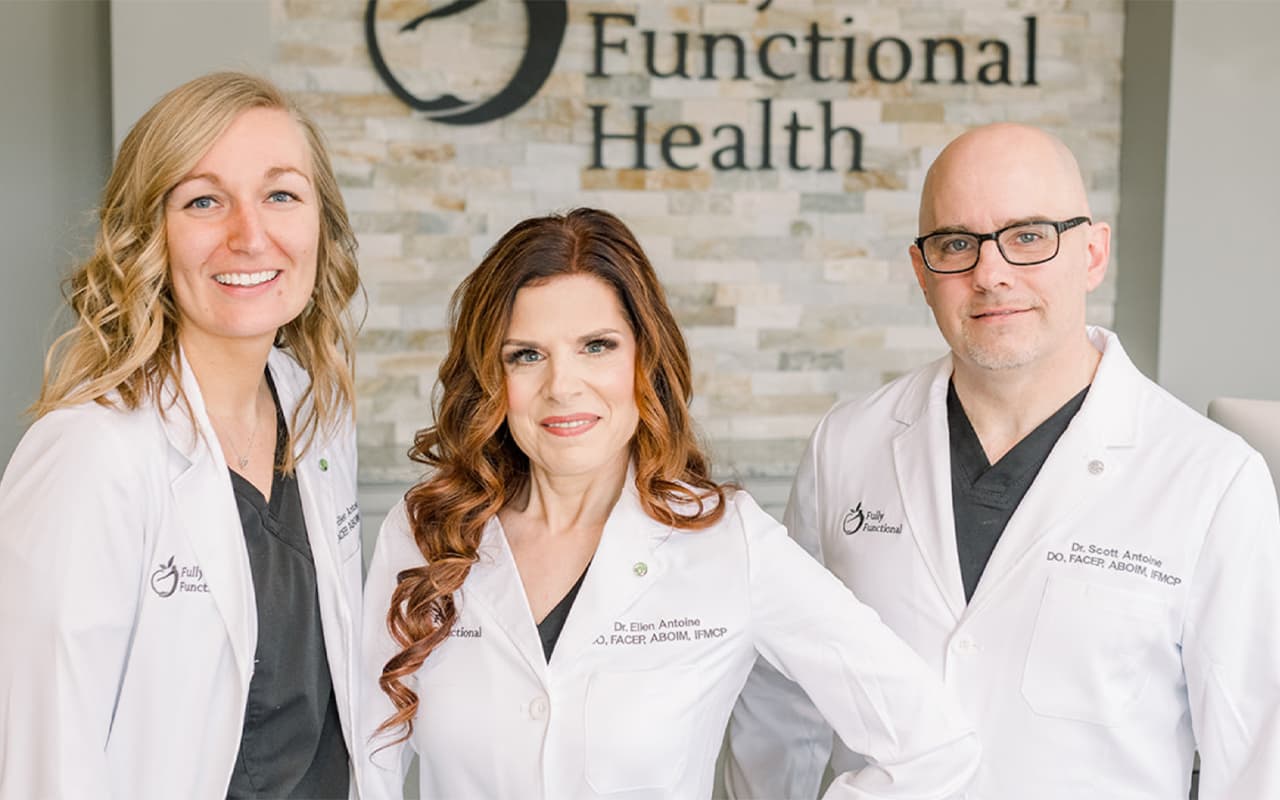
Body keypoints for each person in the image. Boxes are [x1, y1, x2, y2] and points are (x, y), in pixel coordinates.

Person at [726, 123, 1280, 798]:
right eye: (956, 243)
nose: (990, 274)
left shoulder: (1211, 478)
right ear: (922, 271)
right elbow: (784, 707)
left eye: (1027, 236)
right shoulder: (846, 445)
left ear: (1093, 253)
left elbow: (1255, 758)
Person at [359, 208, 980, 799]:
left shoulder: (725, 540)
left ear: (644, 359)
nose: (562, 385)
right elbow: (369, 760)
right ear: (493, 379)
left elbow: (930, 744)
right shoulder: (424, 535)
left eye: (596, 346)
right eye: (526, 355)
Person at [0, 72, 364, 799]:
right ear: (149, 235)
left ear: (320, 223)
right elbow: (47, 761)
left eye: (281, 194)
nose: (249, 234)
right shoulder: (91, 453)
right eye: (204, 201)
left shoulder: (317, 412)